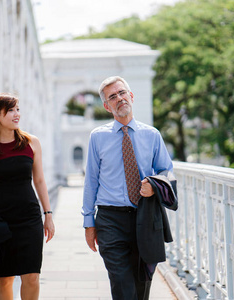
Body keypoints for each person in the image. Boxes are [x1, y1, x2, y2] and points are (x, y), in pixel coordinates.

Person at [82, 76, 174, 299]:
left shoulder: (152, 135)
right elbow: (91, 180)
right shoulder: (98, 137)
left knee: (142, 286)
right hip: (110, 220)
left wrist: (153, 187)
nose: (119, 98)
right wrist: (88, 222)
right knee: (123, 286)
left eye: (122, 93)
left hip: (146, 217)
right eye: (112, 97)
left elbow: (167, 172)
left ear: (131, 96)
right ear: (106, 106)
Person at [0, 93, 55, 300]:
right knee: (5, 278)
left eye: (17, 109)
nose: (16, 114)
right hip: (1, 219)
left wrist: (48, 214)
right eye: (10, 110)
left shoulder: (31, 143)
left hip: (29, 217)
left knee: (31, 276)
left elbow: (39, 181)